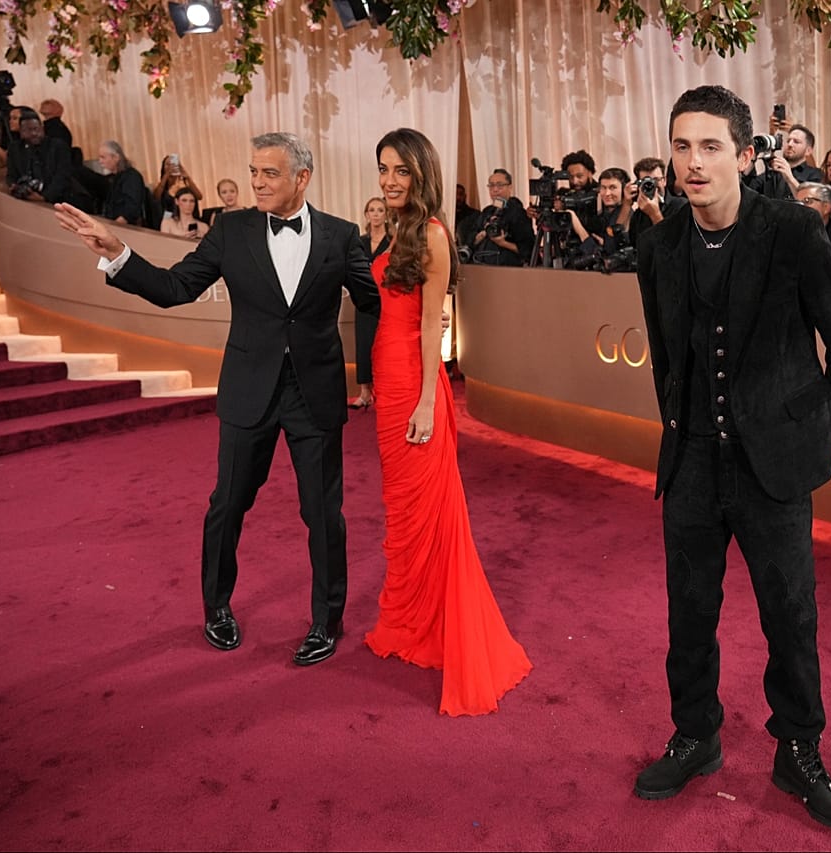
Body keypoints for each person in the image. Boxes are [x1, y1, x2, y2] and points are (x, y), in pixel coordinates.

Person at [632, 85, 831, 832]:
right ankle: (696, 733)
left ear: (743, 153)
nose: (692, 163)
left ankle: (798, 747)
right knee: (689, 611)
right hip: (694, 460)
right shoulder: (660, 243)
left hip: (776, 460)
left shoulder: (792, 229)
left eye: (709, 146)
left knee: (790, 614)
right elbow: (667, 354)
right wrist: (679, 427)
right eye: (681, 146)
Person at [52, 132, 382, 667]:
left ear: (302, 178)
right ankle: (216, 609)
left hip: (315, 395)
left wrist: (420, 317)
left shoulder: (341, 237)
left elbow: (375, 304)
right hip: (248, 392)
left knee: (324, 514)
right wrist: (118, 253)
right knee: (227, 506)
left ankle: (327, 621)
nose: (256, 182)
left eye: (269, 173)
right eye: (253, 171)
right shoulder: (230, 229)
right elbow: (175, 287)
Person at [363, 127, 532, 716]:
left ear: (422, 174)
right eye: (383, 168)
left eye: (401, 171)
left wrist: (428, 403)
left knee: (426, 510)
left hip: (415, 383)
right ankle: (411, 622)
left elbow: (433, 325)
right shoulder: (393, 230)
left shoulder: (432, 234)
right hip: (388, 382)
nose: (389, 180)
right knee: (402, 509)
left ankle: (439, 629)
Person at [349, 195, 391, 410]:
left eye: (380, 210)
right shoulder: (359, 241)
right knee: (364, 346)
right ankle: (365, 392)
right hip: (364, 300)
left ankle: (383, 393)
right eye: (372, 210)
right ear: (366, 214)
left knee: (384, 347)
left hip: (388, 301)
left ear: (386, 215)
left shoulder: (393, 242)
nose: (375, 214)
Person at [79, 139, 147, 226]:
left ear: (116, 158)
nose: (100, 161)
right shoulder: (114, 178)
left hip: (126, 229)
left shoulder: (131, 177)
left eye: (103, 157)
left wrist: (114, 227)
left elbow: (131, 209)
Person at [153, 152, 204, 219]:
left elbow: (199, 196)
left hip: (188, 217)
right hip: (169, 217)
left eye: (173, 164)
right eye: (167, 164)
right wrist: (166, 175)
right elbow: (156, 197)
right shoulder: (161, 184)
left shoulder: (184, 182)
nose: (171, 167)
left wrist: (187, 177)